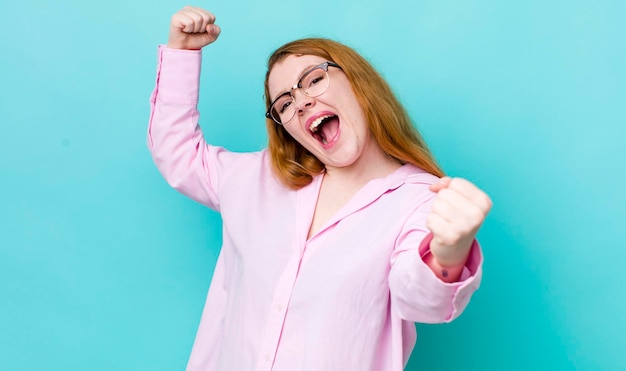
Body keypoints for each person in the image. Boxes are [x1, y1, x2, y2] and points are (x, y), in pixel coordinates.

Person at [148, 6, 492, 371]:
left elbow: (423, 301)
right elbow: (178, 151)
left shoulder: (419, 201)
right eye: (284, 103)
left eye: (313, 80)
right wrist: (182, 53)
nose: (301, 102)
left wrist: (449, 252)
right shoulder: (256, 179)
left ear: (359, 82)